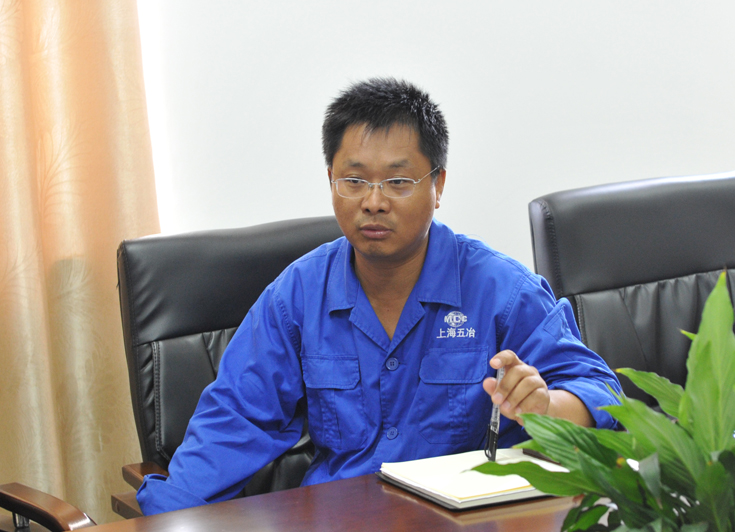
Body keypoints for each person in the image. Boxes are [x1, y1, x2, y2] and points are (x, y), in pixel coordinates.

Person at [136, 78, 622, 515]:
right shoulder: (298, 294)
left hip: (468, 521)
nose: (373, 201)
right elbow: (233, 421)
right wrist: (166, 519)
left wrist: (546, 407)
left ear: (438, 185)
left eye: (398, 181)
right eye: (354, 180)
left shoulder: (500, 291)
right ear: (331, 180)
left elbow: (601, 394)